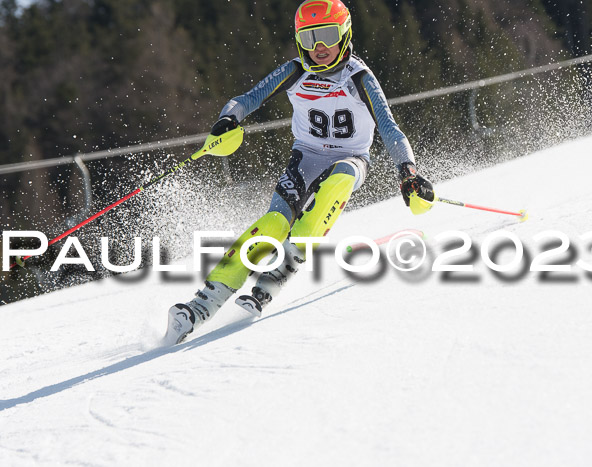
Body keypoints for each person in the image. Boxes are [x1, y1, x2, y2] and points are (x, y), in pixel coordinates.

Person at [165, 0, 434, 344]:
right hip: (305, 158)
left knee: (331, 193)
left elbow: (390, 128)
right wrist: (228, 118)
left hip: (350, 159)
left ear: (345, 33)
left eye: (327, 36)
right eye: (309, 38)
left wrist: (408, 171)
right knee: (274, 225)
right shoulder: (295, 70)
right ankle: (200, 306)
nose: (319, 48)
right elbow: (248, 99)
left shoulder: (360, 76)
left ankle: (266, 288)